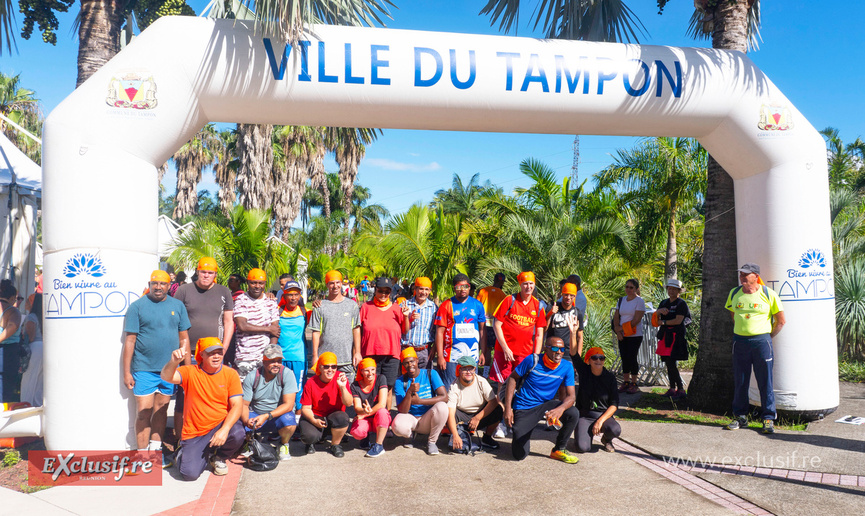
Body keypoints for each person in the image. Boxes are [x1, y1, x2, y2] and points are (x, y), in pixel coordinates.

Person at [123, 270, 191, 464]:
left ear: (169, 286)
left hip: (169, 370)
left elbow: (184, 338)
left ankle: (155, 452)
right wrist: (126, 372)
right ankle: (141, 455)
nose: (158, 287)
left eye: (162, 284)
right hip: (143, 369)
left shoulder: (177, 306)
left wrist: (187, 370)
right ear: (149, 284)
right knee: (144, 412)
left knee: (161, 410)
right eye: (155, 283)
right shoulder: (137, 307)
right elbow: (130, 341)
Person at [161, 338, 245, 480]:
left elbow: (237, 405)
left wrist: (224, 430)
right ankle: (183, 452)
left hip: (219, 424)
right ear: (202, 355)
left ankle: (219, 457)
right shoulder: (189, 372)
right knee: (189, 475)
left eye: (219, 352)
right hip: (196, 431)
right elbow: (166, 376)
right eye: (211, 353)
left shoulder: (230, 374)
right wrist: (173, 362)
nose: (216, 356)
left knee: (238, 433)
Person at [173, 257, 235, 437]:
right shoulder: (184, 290)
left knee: (213, 395)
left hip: (214, 353)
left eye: (210, 273)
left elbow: (228, 322)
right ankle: (180, 438)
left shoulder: (224, 291)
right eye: (203, 272)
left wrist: (223, 348)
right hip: (190, 353)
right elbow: (175, 320)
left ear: (215, 274)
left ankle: (209, 436)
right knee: (184, 396)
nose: (206, 276)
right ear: (197, 272)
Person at [725, 263, 785, 434]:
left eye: (746, 274)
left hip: (762, 342)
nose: (742, 277)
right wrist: (744, 330)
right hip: (740, 342)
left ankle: (768, 418)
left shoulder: (768, 294)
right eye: (741, 274)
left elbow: (781, 321)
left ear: (756, 276)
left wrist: (766, 337)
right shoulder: (734, 293)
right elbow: (733, 315)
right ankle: (740, 417)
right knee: (741, 381)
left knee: (765, 381)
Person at [504, 336, 580, 463]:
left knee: (573, 412)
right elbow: (512, 378)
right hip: (525, 406)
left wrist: (560, 409)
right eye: (555, 348)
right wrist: (508, 409)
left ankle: (559, 449)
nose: (559, 352)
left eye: (562, 349)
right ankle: (523, 432)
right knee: (519, 455)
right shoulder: (533, 360)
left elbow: (571, 396)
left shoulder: (567, 366)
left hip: (546, 405)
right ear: (546, 348)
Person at [241, 344, 298, 461]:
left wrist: (267, 416)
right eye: (272, 361)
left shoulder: (287, 374)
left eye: (279, 361)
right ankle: (250, 442)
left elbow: (289, 405)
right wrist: (246, 420)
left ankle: (283, 444)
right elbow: (244, 404)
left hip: (277, 415)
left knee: (289, 421)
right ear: (264, 361)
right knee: (239, 421)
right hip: (256, 413)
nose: (276, 364)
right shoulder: (252, 376)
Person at [491, 271, 546, 390]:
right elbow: (497, 325)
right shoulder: (509, 300)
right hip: (504, 352)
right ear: (520, 285)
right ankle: (502, 403)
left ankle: (515, 403)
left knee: (521, 384)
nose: (528, 286)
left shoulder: (538, 306)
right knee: (503, 384)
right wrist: (505, 348)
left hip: (525, 353)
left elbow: (539, 334)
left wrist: (536, 356)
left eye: (531, 283)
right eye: (525, 283)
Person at [359, 276, 410, 406]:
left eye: (387, 292)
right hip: (370, 353)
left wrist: (406, 317)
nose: (383, 294)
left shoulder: (396, 308)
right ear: (375, 290)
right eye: (380, 291)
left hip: (391, 355)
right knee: (370, 386)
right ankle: (369, 414)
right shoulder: (366, 307)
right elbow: (357, 331)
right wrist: (357, 352)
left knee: (387, 388)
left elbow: (405, 330)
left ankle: (385, 415)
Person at [434, 274, 487, 389]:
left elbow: (482, 330)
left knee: (470, 386)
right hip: (451, 356)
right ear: (454, 288)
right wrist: (440, 356)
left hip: (472, 355)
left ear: (469, 287)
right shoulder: (446, 305)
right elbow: (439, 332)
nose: (462, 290)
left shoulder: (477, 305)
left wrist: (483, 352)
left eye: (465, 286)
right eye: (459, 287)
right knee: (450, 387)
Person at [392, 347, 448, 455]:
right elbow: (402, 410)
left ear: (417, 361)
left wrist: (420, 401)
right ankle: (408, 436)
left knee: (442, 407)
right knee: (397, 425)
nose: (410, 365)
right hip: (411, 417)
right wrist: (409, 391)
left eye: (412, 361)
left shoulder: (430, 373)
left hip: (428, 418)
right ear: (403, 365)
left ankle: (432, 442)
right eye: (406, 363)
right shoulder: (400, 381)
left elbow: (444, 397)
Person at [310, 270, 361, 383]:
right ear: (327, 285)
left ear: (342, 283)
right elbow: (316, 332)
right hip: (326, 361)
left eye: (338, 282)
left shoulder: (352, 305)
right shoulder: (320, 306)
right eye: (331, 283)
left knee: (346, 392)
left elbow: (356, 329)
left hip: (347, 361)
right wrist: (315, 356)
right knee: (325, 392)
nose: (335, 286)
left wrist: (357, 352)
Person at [298, 352, 353, 457]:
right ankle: (312, 442)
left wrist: (342, 387)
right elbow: (305, 408)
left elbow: (349, 403)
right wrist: (314, 420)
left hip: (333, 417)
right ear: (320, 367)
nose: (330, 370)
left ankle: (335, 444)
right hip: (315, 416)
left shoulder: (340, 378)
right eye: (326, 366)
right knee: (308, 436)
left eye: (333, 366)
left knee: (342, 418)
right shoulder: (311, 382)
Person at [445, 356, 502, 451]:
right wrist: (455, 435)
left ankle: (487, 437)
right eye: (464, 369)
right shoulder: (454, 387)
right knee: (446, 412)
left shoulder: (482, 382)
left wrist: (477, 418)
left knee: (498, 409)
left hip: (480, 415)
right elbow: (450, 413)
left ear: (475, 370)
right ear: (459, 370)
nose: (468, 372)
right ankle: (456, 436)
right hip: (462, 416)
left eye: (471, 369)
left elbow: (493, 402)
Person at [233, 268, 280, 380]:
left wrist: (269, 354)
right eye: (253, 283)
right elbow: (242, 326)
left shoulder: (271, 302)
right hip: (245, 356)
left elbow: (275, 330)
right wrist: (268, 329)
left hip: (264, 358)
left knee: (264, 388)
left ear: (265, 284)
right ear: (248, 283)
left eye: (261, 283)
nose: (257, 286)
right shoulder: (241, 300)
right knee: (244, 388)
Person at [574, 346, 621, 453]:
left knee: (615, 430)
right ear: (589, 360)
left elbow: (614, 404)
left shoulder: (610, 378)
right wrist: (574, 336)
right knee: (583, 448)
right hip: (585, 416)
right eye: (594, 358)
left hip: (602, 415)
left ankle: (606, 439)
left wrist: (600, 421)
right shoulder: (584, 372)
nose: (598, 360)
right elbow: (574, 354)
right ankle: (584, 434)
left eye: (601, 358)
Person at [656, 279, 691, 399]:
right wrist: (659, 312)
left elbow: (678, 320)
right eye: (669, 288)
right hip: (665, 335)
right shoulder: (664, 302)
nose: (671, 291)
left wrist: (664, 322)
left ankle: (680, 389)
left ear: (679, 291)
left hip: (676, 335)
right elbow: (656, 319)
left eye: (674, 289)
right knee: (668, 362)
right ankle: (672, 388)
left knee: (671, 362)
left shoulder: (681, 303)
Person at [277, 280, 307, 416]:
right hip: (281, 358)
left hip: (299, 358)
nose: (293, 298)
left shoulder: (305, 312)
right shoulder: (277, 312)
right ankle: (282, 420)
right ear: (284, 296)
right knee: (281, 389)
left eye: (296, 294)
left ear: (300, 296)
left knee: (299, 390)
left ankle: (298, 420)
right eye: (290, 294)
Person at [349, 357, 391, 458]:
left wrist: (364, 415)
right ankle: (365, 439)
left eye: (373, 369)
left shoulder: (381, 378)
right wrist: (363, 411)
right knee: (357, 432)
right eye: (366, 370)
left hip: (378, 417)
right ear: (361, 371)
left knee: (382, 412)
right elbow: (357, 408)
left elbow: (382, 404)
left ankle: (379, 446)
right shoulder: (355, 385)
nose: (370, 373)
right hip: (366, 418)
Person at [612, 278, 645, 394]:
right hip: (622, 335)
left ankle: (634, 383)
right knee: (624, 357)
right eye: (627, 287)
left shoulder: (639, 301)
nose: (629, 289)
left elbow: (636, 320)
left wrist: (620, 329)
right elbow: (616, 316)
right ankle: (625, 382)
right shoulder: (621, 300)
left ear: (636, 289)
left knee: (632, 357)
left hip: (635, 334)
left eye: (631, 287)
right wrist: (617, 331)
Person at [401, 277, 438, 370]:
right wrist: (408, 318)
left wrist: (434, 348)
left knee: (424, 376)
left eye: (426, 289)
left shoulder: (433, 308)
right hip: (406, 349)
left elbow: (436, 330)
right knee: (405, 377)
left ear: (430, 291)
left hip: (424, 351)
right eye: (421, 289)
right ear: (415, 289)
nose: (423, 292)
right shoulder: (405, 305)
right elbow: (399, 329)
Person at [546, 282, 584, 365]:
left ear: (575, 296)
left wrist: (578, 359)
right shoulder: (553, 307)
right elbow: (544, 329)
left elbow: (580, 337)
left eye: (571, 295)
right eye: (566, 295)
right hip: (552, 351)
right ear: (562, 294)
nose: (568, 298)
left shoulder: (577, 313)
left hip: (569, 355)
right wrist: (550, 314)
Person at [475, 272, 507, 369]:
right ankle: (486, 372)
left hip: (481, 323)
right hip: (494, 325)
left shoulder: (483, 291)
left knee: (478, 347)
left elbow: (477, 305)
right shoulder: (502, 295)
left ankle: (475, 369)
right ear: (502, 282)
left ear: (494, 280)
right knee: (489, 348)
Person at [0, 279, 23, 402]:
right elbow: (13, 326)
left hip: (7, 353)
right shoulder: (13, 311)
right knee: (5, 391)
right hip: (7, 354)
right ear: (13, 297)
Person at [20, 293, 43, 406]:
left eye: (28, 300)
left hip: (35, 348)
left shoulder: (31, 317)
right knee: (39, 379)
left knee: (29, 378)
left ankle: (26, 403)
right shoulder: (42, 317)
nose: (26, 303)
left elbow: (30, 337)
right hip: (43, 347)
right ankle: (37, 403)